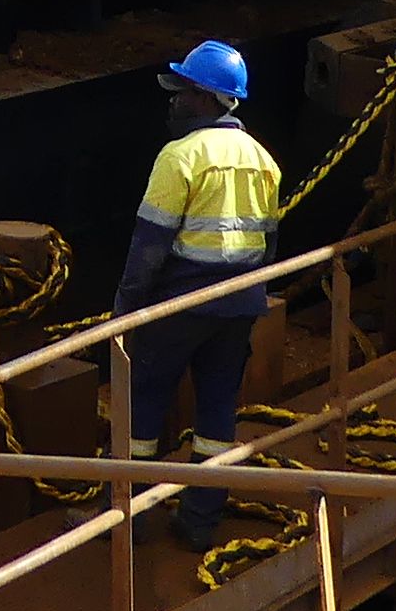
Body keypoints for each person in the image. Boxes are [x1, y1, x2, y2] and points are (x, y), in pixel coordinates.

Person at [113, 40, 281, 547]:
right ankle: (200, 520)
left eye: (182, 91)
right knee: (216, 411)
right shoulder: (262, 159)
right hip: (239, 305)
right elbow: (268, 242)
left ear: (208, 99)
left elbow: (149, 244)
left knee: (141, 405)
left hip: (181, 304)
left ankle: (129, 518)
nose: (173, 100)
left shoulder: (180, 155)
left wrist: (125, 309)